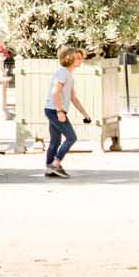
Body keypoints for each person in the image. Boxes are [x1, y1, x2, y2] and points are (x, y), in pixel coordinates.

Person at [44, 46, 94, 178]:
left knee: (55, 141)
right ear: (69, 59)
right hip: (54, 110)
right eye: (77, 57)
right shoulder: (63, 73)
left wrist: (85, 114)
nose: (80, 59)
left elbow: (73, 98)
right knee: (71, 137)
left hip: (54, 109)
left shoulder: (69, 75)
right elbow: (55, 92)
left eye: (80, 57)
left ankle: (50, 169)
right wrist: (60, 111)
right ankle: (55, 164)